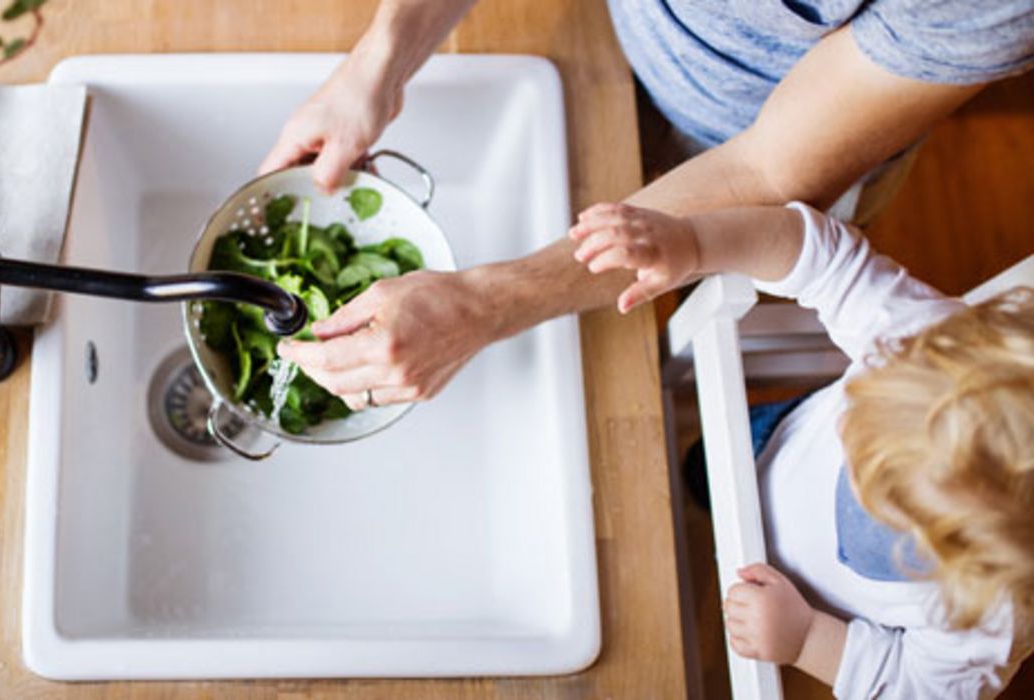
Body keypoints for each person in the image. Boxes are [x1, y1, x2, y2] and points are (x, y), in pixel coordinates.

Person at [266, 0, 1034, 410]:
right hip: (607, 40)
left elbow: (766, 170)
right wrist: (379, 62)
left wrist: (481, 301)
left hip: (723, 159)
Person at [569, 198, 1034, 697]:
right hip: (771, 444)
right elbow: (826, 258)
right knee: (698, 466)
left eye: (890, 499)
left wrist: (808, 639)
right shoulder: (924, 341)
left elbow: (919, 688)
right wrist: (695, 243)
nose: (847, 446)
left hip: (803, 603)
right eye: (861, 416)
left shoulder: (991, 616)